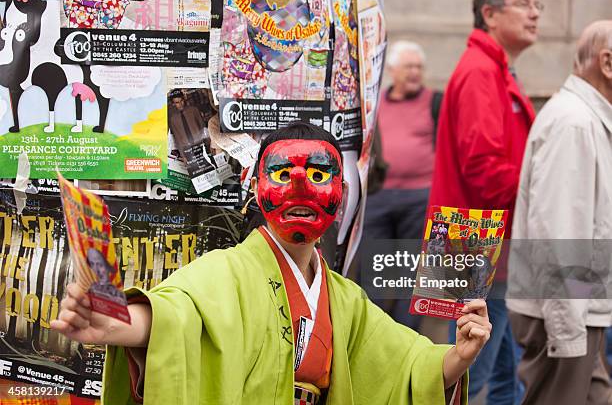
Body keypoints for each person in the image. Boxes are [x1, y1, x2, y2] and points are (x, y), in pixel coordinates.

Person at [51, 121, 492, 405]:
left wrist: (460, 354)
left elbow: (408, 369)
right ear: (257, 187)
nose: (300, 185)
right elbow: (178, 312)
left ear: (342, 192)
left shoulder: (346, 300)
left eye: (319, 175)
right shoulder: (226, 272)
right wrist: (117, 322)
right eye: (283, 174)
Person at [428, 0, 541, 403]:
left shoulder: (492, 68)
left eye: (538, 4)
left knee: (505, 376)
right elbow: (487, 172)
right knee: (475, 377)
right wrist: (543, 184)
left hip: (492, 250)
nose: (535, 13)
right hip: (480, 250)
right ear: (490, 14)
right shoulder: (480, 71)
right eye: (524, 4)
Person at [506, 20, 612, 404]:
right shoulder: (575, 124)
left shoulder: (584, 120)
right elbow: (559, 238)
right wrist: (568, 333)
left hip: (577, 313)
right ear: (607, 63)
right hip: (566, 317)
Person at [363, 41, 443, 331]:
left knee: (412, 271)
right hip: (378, 197)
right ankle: (373, 335)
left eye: (419, 67)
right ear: (393, 71)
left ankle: (407, 337)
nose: (414, 73)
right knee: (375, 268)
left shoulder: (435, 101)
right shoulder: (376, 101)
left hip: (420, 198)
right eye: (408, 66)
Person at [168, 89, 216, 168]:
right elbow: (177, 138)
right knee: (197, 169)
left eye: (181, 101)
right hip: (188, 149)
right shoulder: (173, 119)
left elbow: (203, 127)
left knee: (210, 165)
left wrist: (210, 144)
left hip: (201, 144)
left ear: (184, 100)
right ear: (173, 104)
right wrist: (183, 155)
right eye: (177, 102)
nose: (180, 104)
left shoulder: (193, 110)